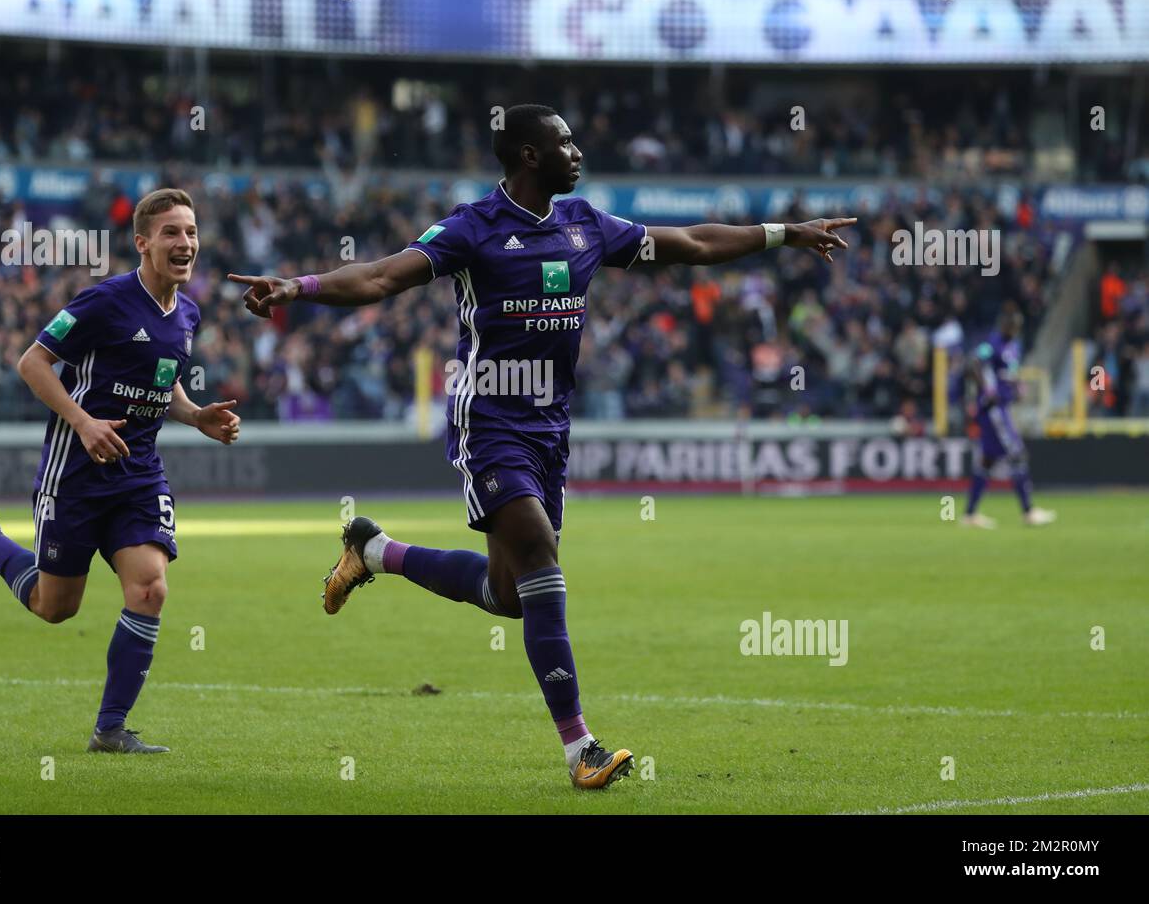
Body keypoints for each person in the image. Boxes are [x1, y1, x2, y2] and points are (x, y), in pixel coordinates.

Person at [229, 104, 853, 788]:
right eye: (563, 141)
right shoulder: (473, 228)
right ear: (529, 155)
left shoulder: (585, 224)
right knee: (539, 552)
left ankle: (373, 550)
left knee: (513, 595)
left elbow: (693, 244)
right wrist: (300, 287)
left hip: (551, 427)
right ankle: (580, 749)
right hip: (489, 418)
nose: (578, 151)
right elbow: (381, 276)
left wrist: (782, 233)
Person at [0, 188, 241, 753]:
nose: (186, 243)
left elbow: (160, 378)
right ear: (142, 244)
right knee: (55, 607)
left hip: (139, 473)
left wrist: (196, 416)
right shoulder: (105, 301)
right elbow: (33, 362)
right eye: (171, 232)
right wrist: (83, 421)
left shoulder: (188, 313)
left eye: (191, 232)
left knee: (149, 589)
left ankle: (110, 730)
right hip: (76, 471)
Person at [962, 308, 1056, 529]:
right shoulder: (992, 343)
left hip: (1003, 407)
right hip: (994, 410)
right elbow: (973, 362)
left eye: (1016, 326)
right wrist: (987, 390)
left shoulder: (1014, 346)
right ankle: (1028, 511)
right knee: (1017, 454)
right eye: (1011, 325)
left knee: (988, 460)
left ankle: (970, 514)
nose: (1013, 329)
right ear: (1003, 324)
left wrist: (1017, 387)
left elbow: (1009, 374)